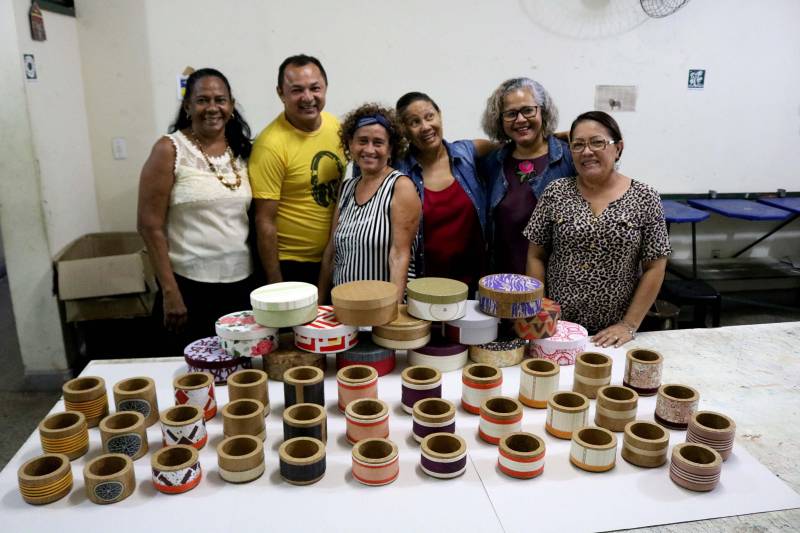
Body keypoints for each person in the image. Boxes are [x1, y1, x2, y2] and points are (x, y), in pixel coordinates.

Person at [524, 111, 671, 348]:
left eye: (597, 142)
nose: (587, 151)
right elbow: (536, 255)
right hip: (559, 328)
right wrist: (541, 312)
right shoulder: (556, 192)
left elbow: (655, 267)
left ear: (618, 148)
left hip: (614, 334)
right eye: (578, 145)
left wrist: (628, 324)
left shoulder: (646, 197)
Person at [137, 68, 254, 351]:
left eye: (220, 100)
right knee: (193, 371)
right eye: (202, 100)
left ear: (231, 105)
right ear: (188, 107)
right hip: (188, 287)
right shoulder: (169, 150)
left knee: (239, 367)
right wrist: (170, 291)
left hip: (241, 285)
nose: (212, 108)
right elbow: (149, 226)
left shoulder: (243, 150)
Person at [249, 54, 345, 285]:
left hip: (334, 258)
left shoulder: (336, 126)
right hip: (291, 265)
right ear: (281, 93)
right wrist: (276, 283)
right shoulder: (270, 145)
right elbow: (264, 221)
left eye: (315, 88)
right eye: (297, 90)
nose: (308, 97)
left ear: (326, 87)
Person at [395, 92, 495, 294]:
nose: (425, 127)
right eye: (415, 122)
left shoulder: (467, 153)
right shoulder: (399, 170)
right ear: (404, 129)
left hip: (474, 288)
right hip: (423, 289)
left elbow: (518, 145)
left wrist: (556, 138)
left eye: (429, 116)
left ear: (439, 115)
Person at [318, 104, 420, 303]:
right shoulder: (346, 188)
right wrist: (319, 305)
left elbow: (399, 256)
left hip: (380, 309)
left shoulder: (400, 186)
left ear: (390, 149)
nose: (369, 149)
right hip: (344, 307)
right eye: (362, 141)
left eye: (378, 142)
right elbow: (331, 252)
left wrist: (392, 312)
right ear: (350, 144)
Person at [481, 77, 576, 274]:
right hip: (502, 279)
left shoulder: (570, 159)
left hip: (556, 280)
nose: (520, 120)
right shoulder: (492, 163)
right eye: (511, 114)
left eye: (528, 110)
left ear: (543, 111)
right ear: (500, 120)